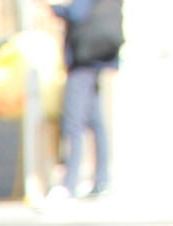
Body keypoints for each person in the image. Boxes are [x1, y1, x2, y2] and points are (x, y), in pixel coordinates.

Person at [52, 0, 121, 197]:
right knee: (97, 123)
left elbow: (75, 13)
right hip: (95, 61)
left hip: (82, 64)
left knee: (73, 124)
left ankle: (69, 184)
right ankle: (101, 180)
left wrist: (51, 6)